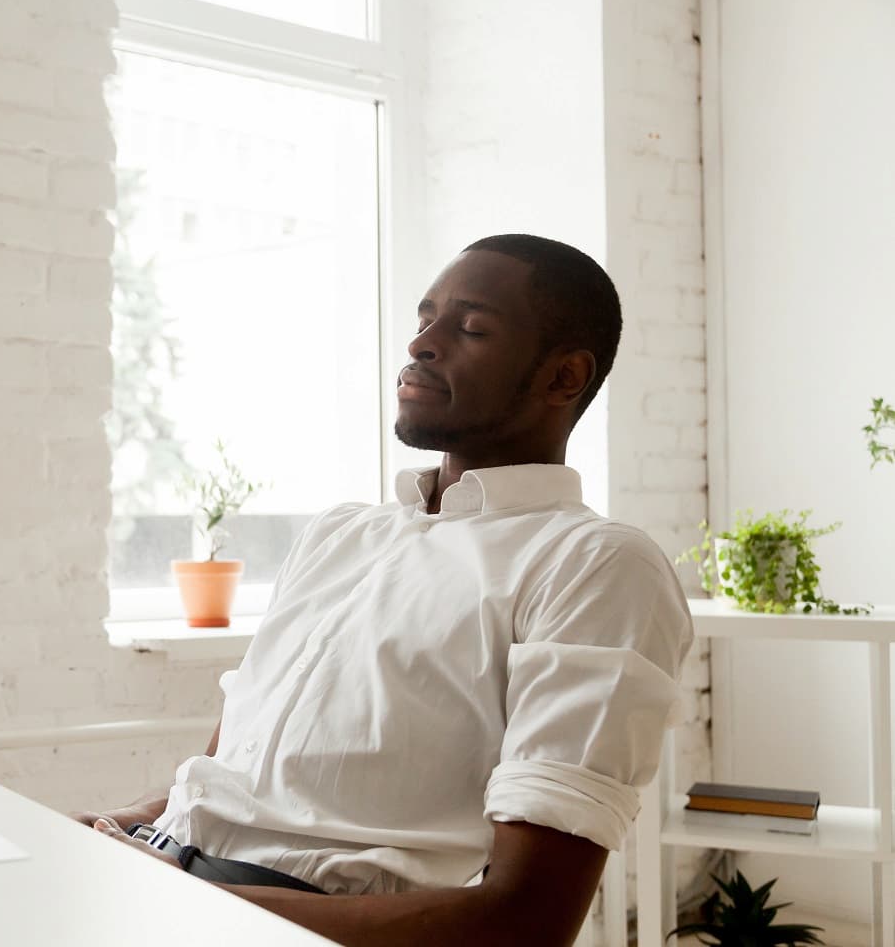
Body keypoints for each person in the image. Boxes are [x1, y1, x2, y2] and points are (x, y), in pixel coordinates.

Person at [77, 234, 694, 947]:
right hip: (157, 880)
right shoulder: (339, 534)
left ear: (563, 379)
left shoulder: (594, 565)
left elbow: (526, 921)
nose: (422, 342)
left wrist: (183, 901)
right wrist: (98, 835)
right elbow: (225, 787)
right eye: (425, 316)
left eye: (470, 328)